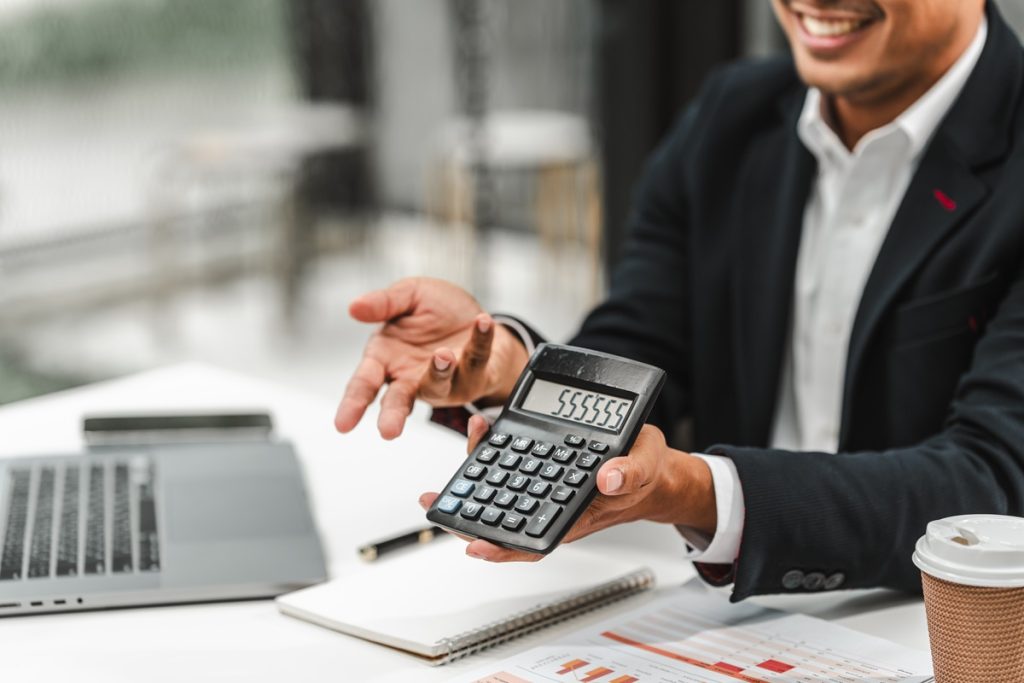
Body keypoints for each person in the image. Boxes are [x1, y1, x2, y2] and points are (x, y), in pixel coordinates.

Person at [336, 0, 1024, 601]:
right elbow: (643, 342)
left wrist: (696, 491)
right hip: (717, 612)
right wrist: (509, 370)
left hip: (941, 627)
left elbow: (994, 485)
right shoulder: (734, 113)